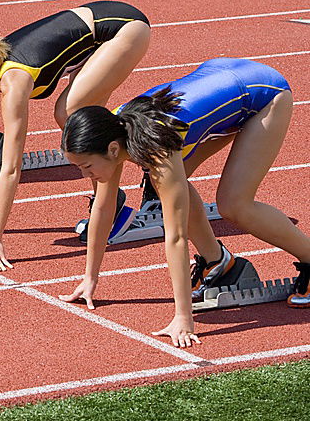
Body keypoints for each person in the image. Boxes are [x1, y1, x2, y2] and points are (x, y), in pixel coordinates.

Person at [59, 58, 310, 347]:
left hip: (263, 94)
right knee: (166, 186)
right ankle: (218, 263)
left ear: (113, 150)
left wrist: (183, 316)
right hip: (222, 79)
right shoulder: (111, 130)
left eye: (86, 166)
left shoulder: (155, 149)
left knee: (234, 204)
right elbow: (104, 209)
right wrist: (91, 278)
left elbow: (176, 236)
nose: (84, 174)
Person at [0, 1, 151, 270]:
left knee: (70, 113)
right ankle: (111, 202)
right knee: (79, 116)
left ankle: (143, 170)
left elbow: (11, 168)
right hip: (96, 36)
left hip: (124, 28)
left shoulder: (14, 82)